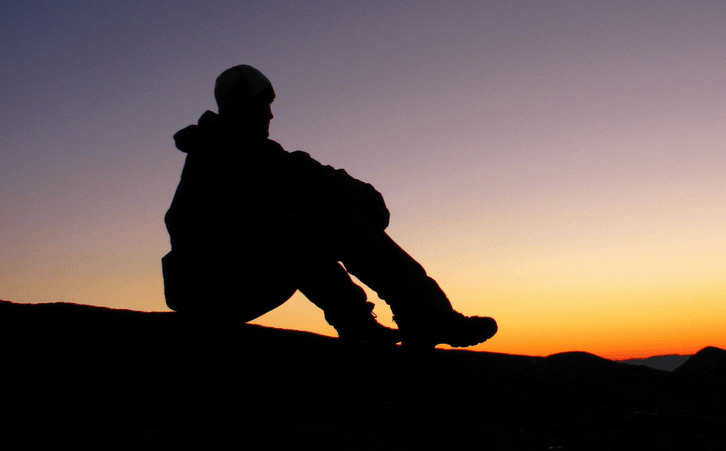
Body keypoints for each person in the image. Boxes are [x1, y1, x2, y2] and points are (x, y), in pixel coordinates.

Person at [163, 65, 497, 349]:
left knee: (299, 225)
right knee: (328, 214)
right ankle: (427, 317)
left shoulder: (217, 151)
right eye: (264, 105)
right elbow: (309, 176)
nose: (270, 114)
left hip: (207, 284)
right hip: (215, 289)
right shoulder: (237, 150)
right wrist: (369, 200)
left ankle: (359, 323)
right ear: (247, 109)